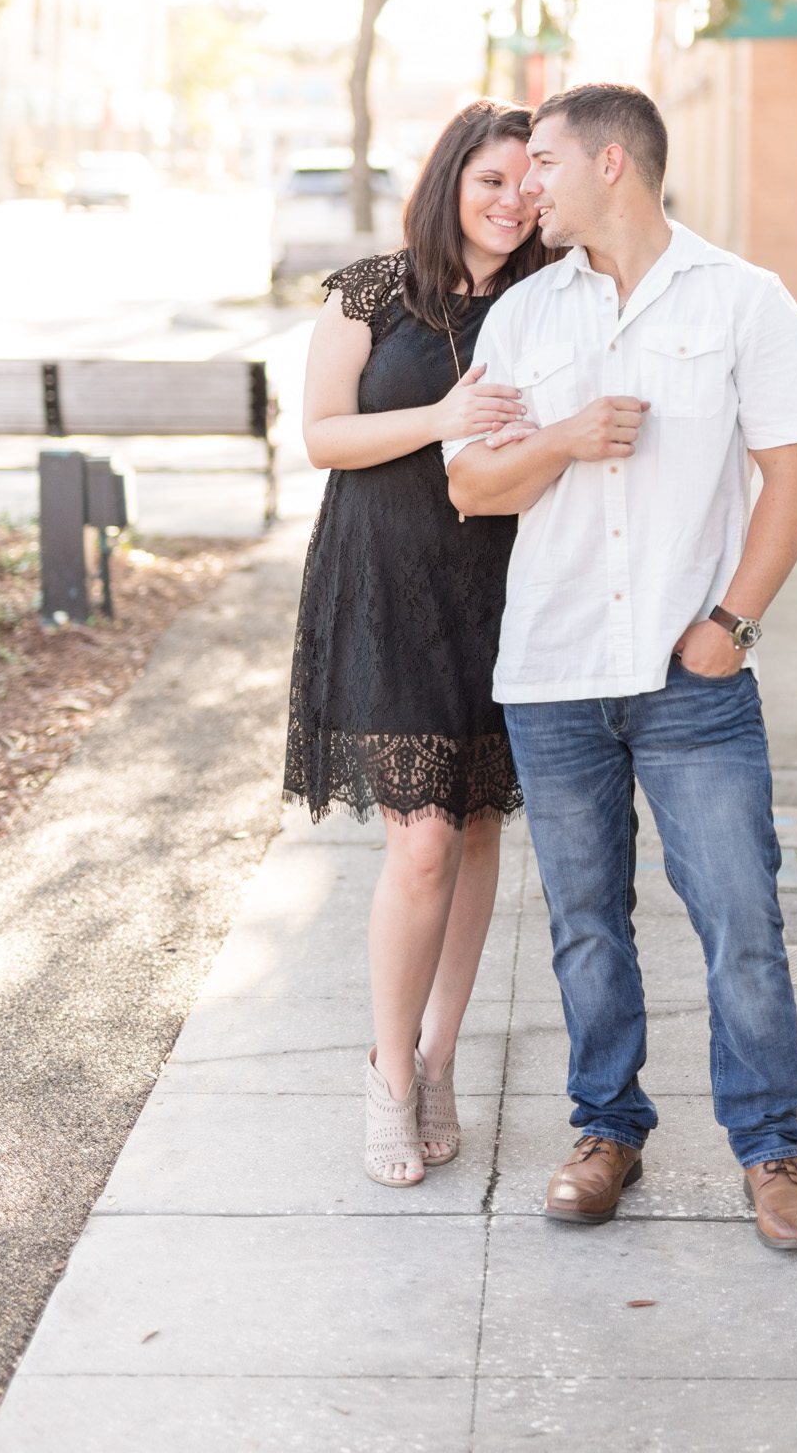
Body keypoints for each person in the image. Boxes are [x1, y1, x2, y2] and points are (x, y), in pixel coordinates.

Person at [445, 82, 797, 1251]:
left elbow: (795, 477)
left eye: (544, 162)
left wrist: (733, 621)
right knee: (581, 923)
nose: (527, 187)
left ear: (611, 162)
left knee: (739, 918)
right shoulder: (524, 320)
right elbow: (472, 483)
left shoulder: (744, 302)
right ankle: (605, 1127)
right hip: (554, 668)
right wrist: (561, 439)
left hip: (690, 677)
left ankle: (771, 1151)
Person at [285, 101, 548, 1188]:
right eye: (489, 179)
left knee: (477, 826)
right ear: (449, 182)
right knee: (424, 839)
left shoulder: (549, 302)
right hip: (383, 584)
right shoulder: (373, 290)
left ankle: (441, 1055)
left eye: (529, 181)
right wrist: (441, 416)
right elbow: (321, 435)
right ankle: (387, 1072)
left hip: (501, 586)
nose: (510, 199)